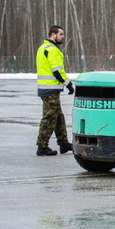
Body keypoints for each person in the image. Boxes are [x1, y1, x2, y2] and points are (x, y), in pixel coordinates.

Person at [35, 25, 74, 156]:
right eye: (61, 34)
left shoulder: (42, 48)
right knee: (50, 117)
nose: (63, 37)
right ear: (53, 35)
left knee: (58, 116)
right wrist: (68, 84)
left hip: (46, 88)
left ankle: (63, 143)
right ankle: (42, 146)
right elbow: (57, 71)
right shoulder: (53, 50)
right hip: (50, 89)